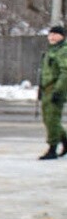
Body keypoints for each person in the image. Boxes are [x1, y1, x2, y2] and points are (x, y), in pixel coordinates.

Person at [37, 23, 67, 159]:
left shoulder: (63, 51)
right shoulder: (51, 50)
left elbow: (65, 72)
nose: (52, 37)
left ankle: (52, 148)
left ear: (62, 36)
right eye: (51, 34)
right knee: (48, 119)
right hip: (46, 90)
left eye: (56, 34)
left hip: (55, 90)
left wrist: (58, 90)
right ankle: (65, 141)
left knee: (52, 120)